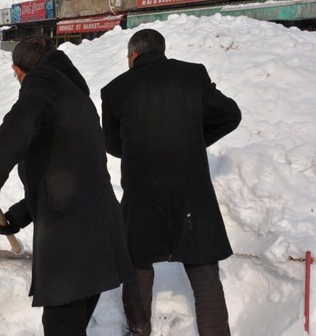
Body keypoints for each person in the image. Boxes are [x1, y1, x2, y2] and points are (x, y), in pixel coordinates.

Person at [0, 36, 135, 335]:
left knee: (61, 327)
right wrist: (22, 213)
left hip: (72, 237)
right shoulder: (73, 95)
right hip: (98, 231)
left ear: (18, 71)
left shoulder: (42, 81)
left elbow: (19, 123)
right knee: (71, 326)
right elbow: (69, 171)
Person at [100, 29, 242, 336]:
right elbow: (230, 115)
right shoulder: (193, 76)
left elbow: (112, 145)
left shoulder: (115, 90)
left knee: (137, 266)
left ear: (133, 55)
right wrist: (190, 140)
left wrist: (142, 149)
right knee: (203, 266)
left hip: (142, 193)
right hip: (191, 191)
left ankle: (139, 330)